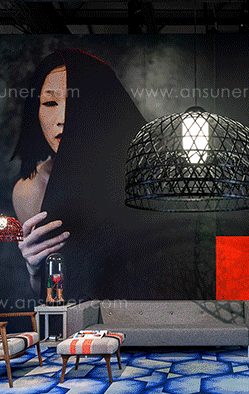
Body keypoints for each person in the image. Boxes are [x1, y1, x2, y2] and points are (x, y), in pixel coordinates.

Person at [10, 49, 147, 301]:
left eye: (76, 104)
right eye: (50, 103)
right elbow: (50, 294)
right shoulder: (31, 189)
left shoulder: (143, 174)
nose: (62, 119)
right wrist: (34, 269)